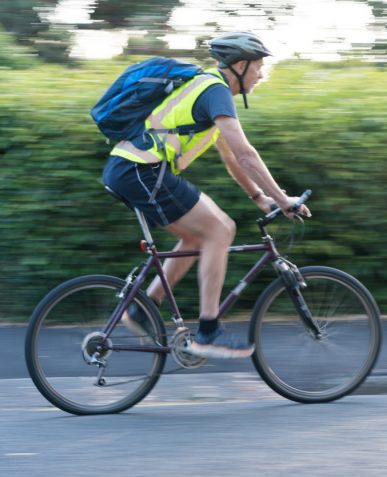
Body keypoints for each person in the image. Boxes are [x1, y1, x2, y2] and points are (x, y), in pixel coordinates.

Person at [102, 31, 310, 359]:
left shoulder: (207, 89)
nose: (260, 75)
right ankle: (209, 331)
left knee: (198, 238)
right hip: (140, 170)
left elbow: (231, 157)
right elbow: (246, 154)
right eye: (258, 67)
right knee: (220, 229)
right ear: (240, 65)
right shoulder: (215, 90)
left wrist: (261, 197)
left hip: (135, 171)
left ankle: (144, 310)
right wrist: (284, 200)